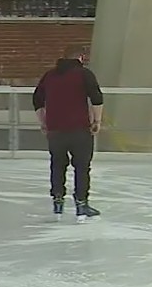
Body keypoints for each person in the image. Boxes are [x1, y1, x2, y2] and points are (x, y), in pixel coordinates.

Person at [32, 47, 104, 218]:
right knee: (82, 167)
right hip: (79, 129)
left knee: (57, 165)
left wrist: (43, 122)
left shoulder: (49, 76)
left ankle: (58, 201)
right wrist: (97, 121)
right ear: (80, 57)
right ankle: (81, 203)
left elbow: (37, 99)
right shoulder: (84, 74)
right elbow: (96, 97)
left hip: (55, 130)